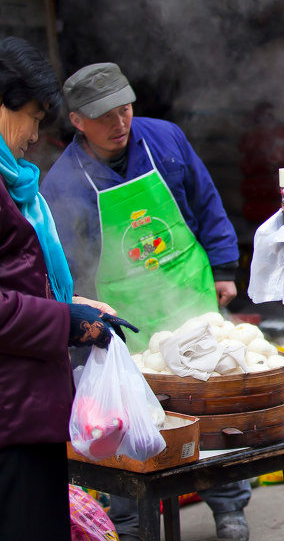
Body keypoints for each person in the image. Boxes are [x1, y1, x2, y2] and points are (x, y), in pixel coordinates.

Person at [40, 63, 251, 540]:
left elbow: (206, 198)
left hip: (188, 295)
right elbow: (63, 264)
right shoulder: (62, 184)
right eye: (105, 116)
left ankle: (229, 505)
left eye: (125, 109)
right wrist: (80, 313)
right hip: (126, 317)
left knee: (209, 410)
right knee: (129, 414)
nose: (119, 124)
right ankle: (133, 519)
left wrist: (223, 268)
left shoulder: (165, 139)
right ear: (77, 121)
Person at [0, 36, 138, 539]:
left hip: (27, 406)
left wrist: (69, 303)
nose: (35, 135)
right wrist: (65, 322)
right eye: (34, 117)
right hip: (10, 417)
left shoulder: (11, 179)